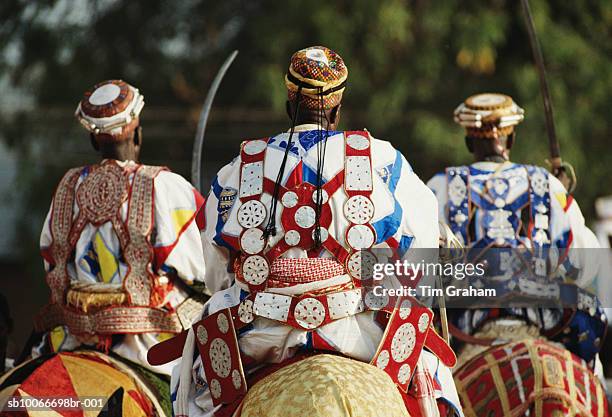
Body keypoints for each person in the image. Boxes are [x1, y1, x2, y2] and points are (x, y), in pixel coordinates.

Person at [167, 46, 463, 417]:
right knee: (437, 384)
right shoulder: (382, 158)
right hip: (361, 332)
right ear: (337, 109)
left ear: (289, 105)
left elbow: (214, 270)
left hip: (258, 336)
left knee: (189, 390)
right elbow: (420, 253)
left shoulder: (240, 166)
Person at [427, 93, 608, 417]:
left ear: (470, 140)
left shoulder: (440, 185)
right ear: (511, 137)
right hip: (542, 319)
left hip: (465, 325)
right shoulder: (546, 183)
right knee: (592, 344)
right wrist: (561, 194)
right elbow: (589, 259)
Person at [34, 79, 207, 377]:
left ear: (93, 141)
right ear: (138, 135)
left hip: (71, 343)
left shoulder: (66, 187)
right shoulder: (166, 186)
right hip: (151, 352)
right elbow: (206, 270)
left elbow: (51, 264)